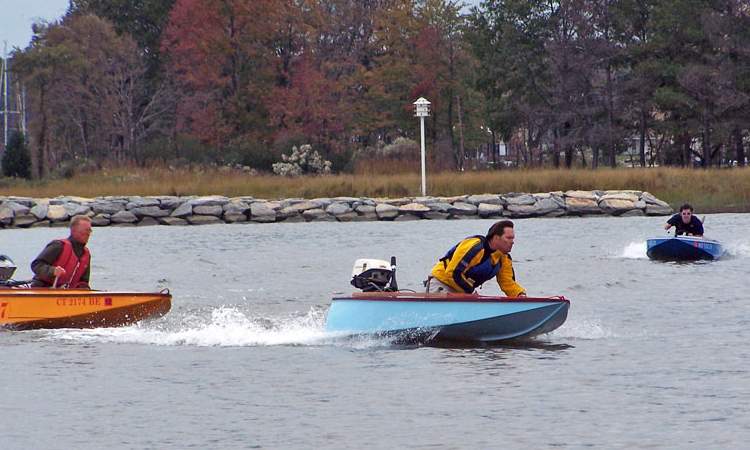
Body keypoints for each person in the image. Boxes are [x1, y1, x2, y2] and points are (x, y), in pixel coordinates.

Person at [426, 220, 526, 297]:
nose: (512, 242)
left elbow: (507, 282)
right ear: (496, 238)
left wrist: (519, 294)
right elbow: (452, 273)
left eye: (513, 238)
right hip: (443, 283)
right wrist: (472, 292)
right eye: (508, 238)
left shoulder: (504, 258)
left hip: (464, 290)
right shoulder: (475, 246)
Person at [31, 215, 92, 288]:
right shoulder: (58, 246)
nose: (88, 233)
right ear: (73, 230)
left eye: (89, 230)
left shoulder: (86, 254)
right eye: (85, 230)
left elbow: (83, 281)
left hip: (66, 292)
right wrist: (52, 271)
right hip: (43, 289)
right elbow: (36, 265)